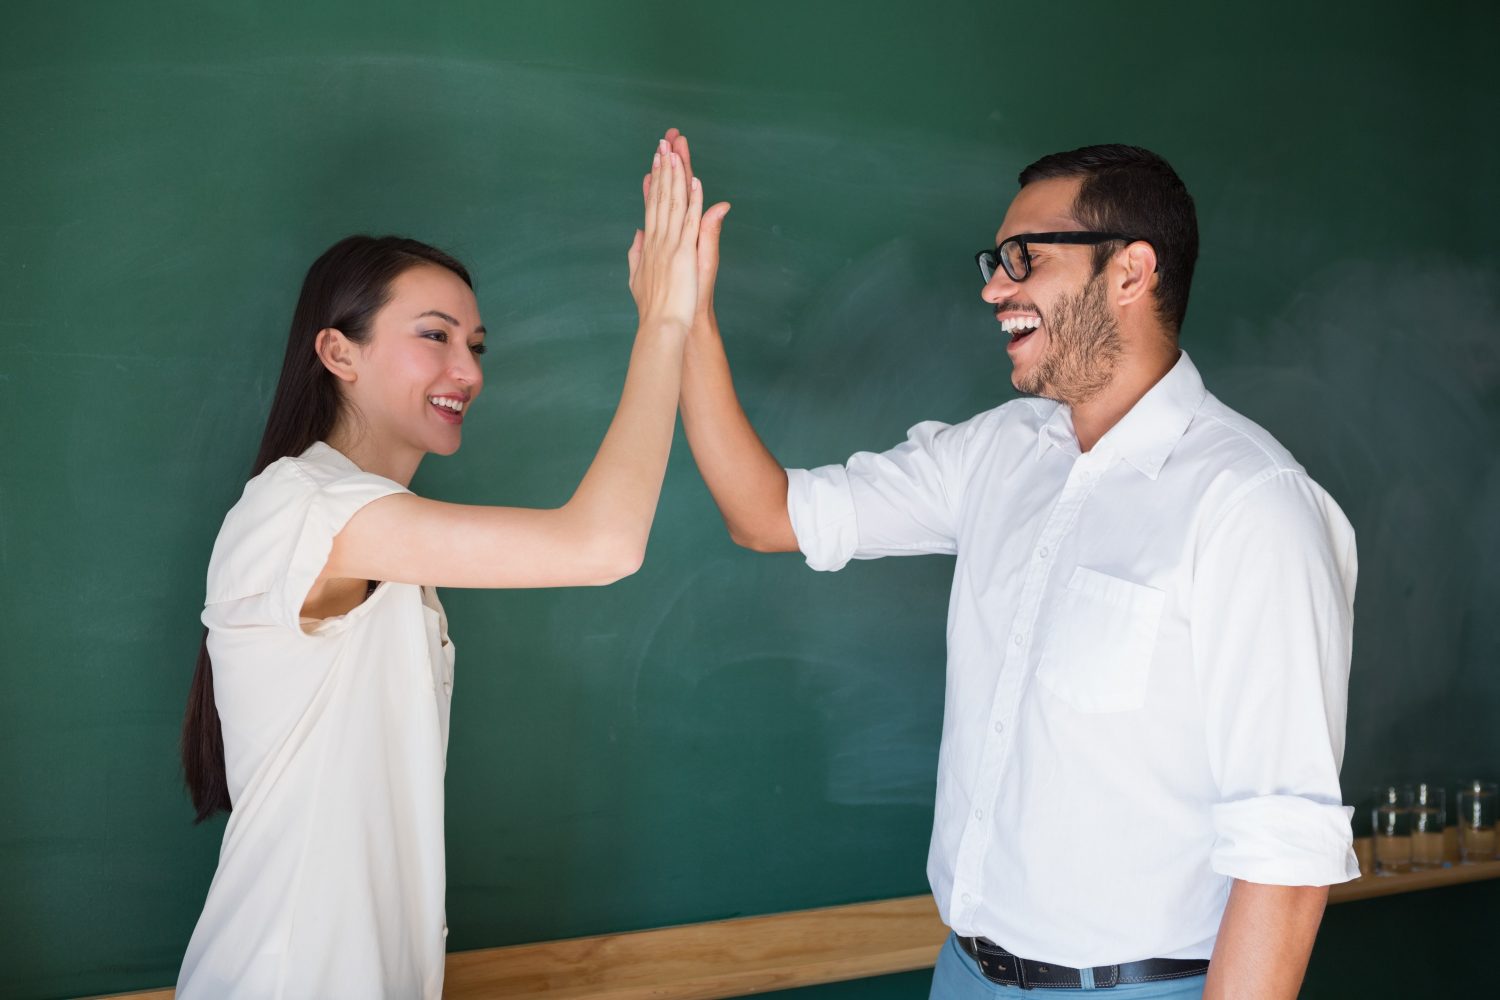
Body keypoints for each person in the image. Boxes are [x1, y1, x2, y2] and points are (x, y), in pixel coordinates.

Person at [672, 134, 1358, 998]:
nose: (994, 287)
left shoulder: (1251, 505)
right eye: (995, 262)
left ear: (1130, 272)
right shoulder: (999, 452)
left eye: (1021, 259)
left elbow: (1285, 857)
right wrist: (683, 320)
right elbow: (766, 514)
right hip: (964, 974)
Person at [176, 136, 704, 999]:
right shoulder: (306, 508)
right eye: (434, 337)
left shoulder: (366, 527)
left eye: (477, 345)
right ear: (339, 353)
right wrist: (666, 322)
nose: (468, 370)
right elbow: (601, 546)